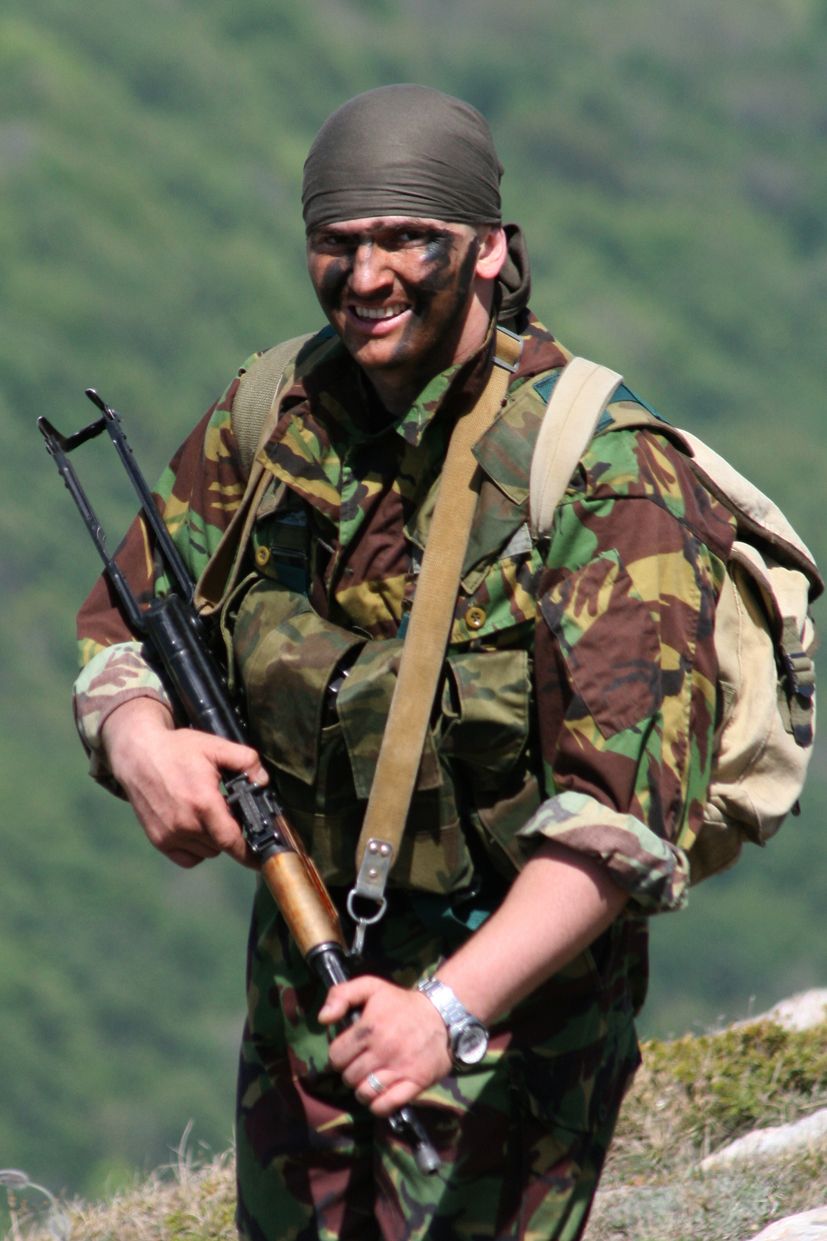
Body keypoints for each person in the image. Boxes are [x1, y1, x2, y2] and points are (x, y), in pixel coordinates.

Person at [72, 85, 735, 1240]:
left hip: (512, 1013)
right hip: (303, 973)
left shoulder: (601, 473)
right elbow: (121, 622)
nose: (366, 276)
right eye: (337, 241)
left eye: (405, 239)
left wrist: (445, 1009)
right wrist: (139, 743)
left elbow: (617, 820)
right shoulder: (271, 417)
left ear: (488, 250)